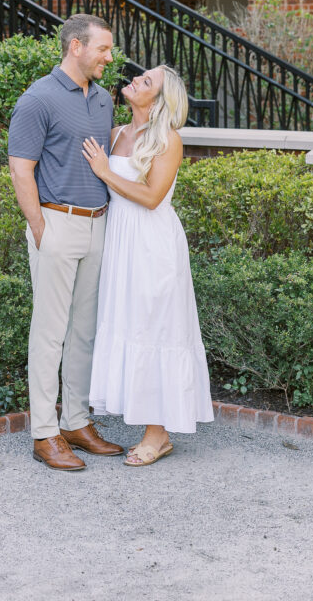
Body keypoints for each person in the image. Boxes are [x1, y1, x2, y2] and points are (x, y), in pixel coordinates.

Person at [8, 13, 124, 471]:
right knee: (50, 333)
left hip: (99, 225)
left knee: (83, 333)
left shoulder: (102, 101)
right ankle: (44, 432)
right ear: (76, 46)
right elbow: (21, 169)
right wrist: (40, 229)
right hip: (56, 225)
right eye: (103, 49)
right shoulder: (38, 98)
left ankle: (76, 421)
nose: (109, 58)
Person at [82, 65, 214, 467]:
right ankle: (147, 422)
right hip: (120, 240)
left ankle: (158, 434)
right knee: (129, 323)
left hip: (153, 243)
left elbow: (154, 195)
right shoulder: (117, 133)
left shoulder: (167, 140)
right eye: (141, 76)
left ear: (157, 100)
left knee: (155, 326)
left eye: (147, 82)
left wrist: (105, 171)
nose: (137, 79)